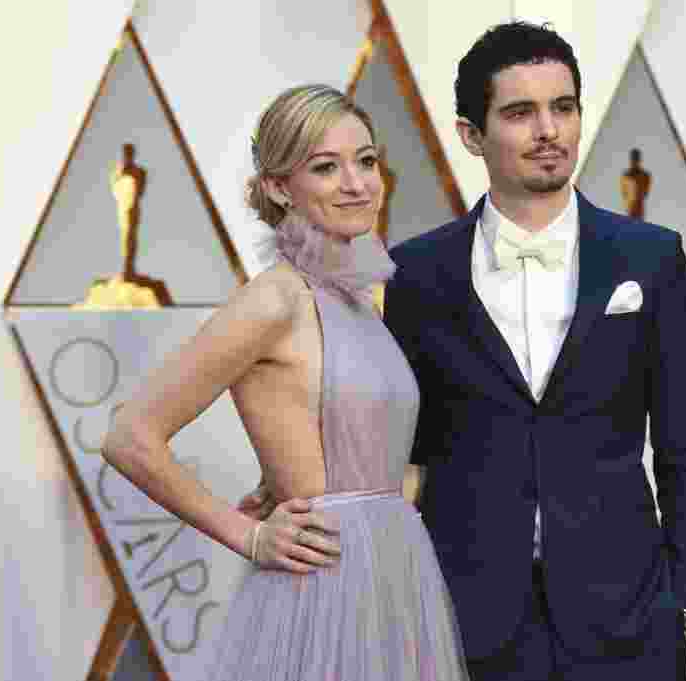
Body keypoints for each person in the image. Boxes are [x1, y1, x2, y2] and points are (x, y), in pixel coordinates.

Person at [245, 21, 686, 681]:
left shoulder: (652, 258)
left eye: (563, 107)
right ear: (472, 134)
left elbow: (685, 444)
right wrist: (297, 481)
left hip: (630, 619)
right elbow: (407, 442)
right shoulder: (415, 273)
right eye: (521, 113)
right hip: (467, 619)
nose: (549, 130)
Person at [102, 84, 469, 680]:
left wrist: (282, 473)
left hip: (394, 570)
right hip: (322, 580)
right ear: (278, 187)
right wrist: (249, 536)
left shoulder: (356, 297)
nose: (356, 183)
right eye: (325, 167)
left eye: (366, 161)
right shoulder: (273, 299)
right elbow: (129, 436)